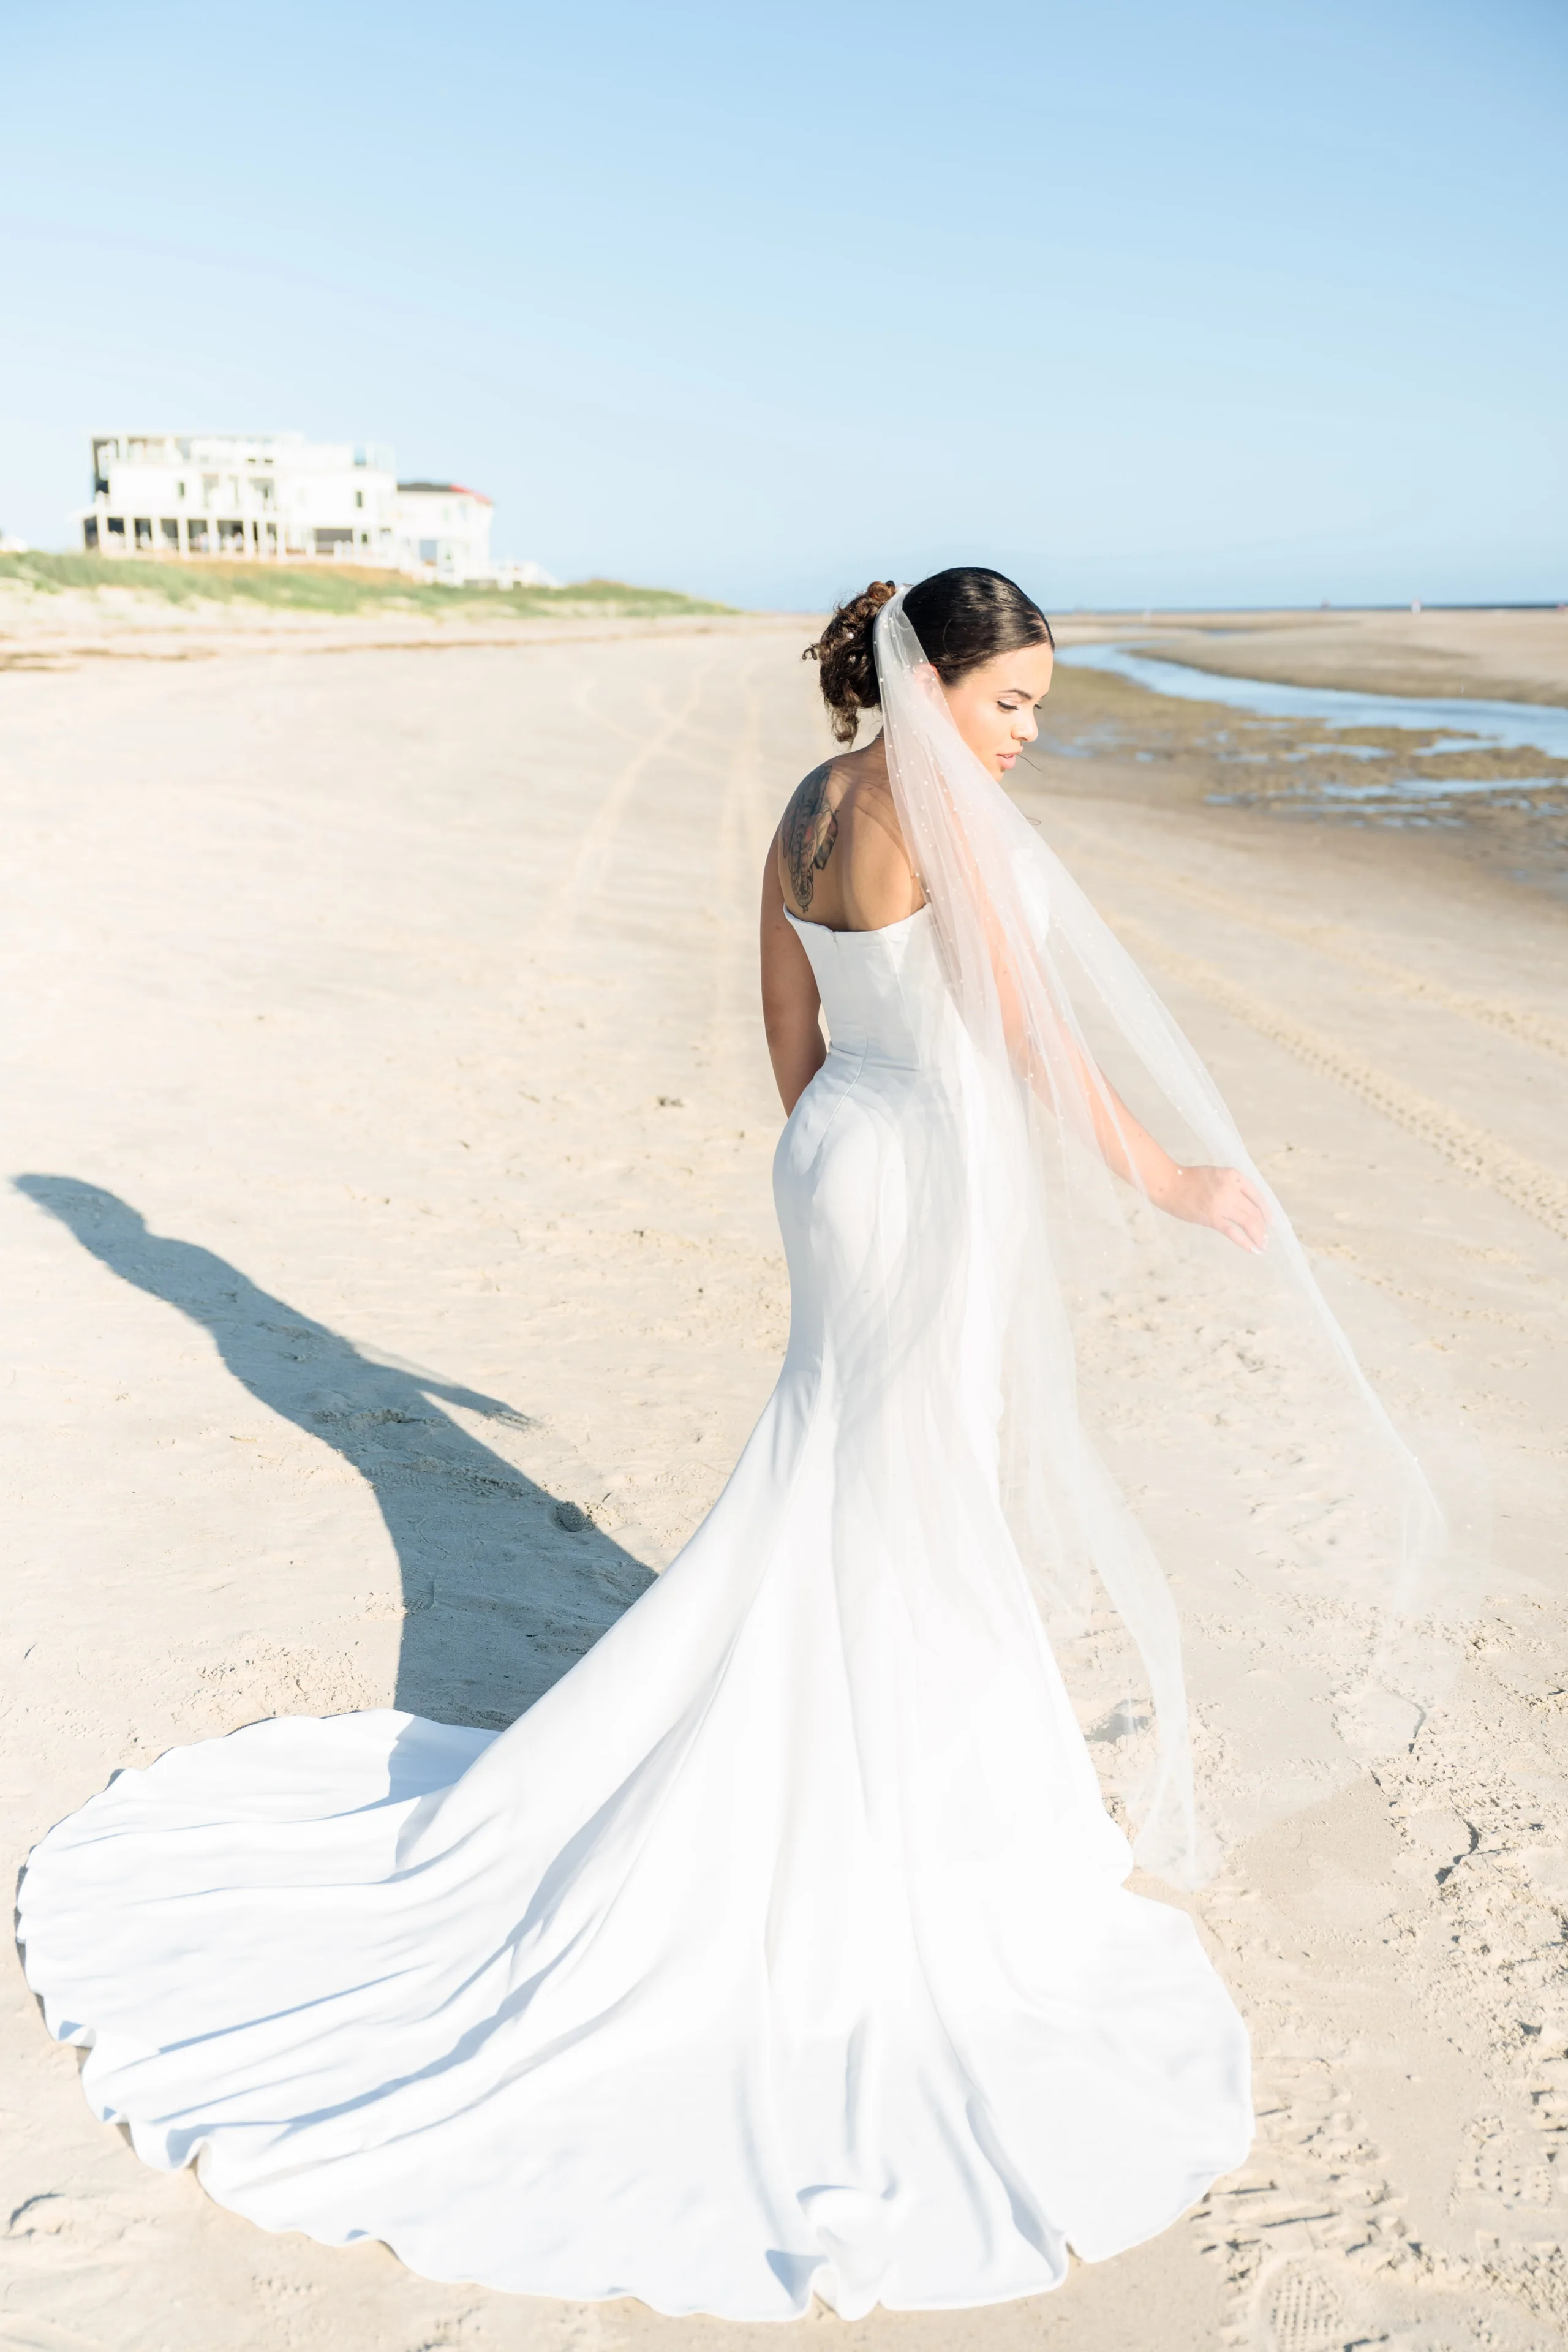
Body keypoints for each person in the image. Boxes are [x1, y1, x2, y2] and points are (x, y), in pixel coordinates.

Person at [20, 568, 1430, 2324]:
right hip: (925, 1176)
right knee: (914, 1485)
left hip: (838, 1153)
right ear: (938, 688)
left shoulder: (811, 802)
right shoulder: (945, 819)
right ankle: (907, 1802)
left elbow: (789, 1021)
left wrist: (835, 1146)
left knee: (850, 1469)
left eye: (1039, 712)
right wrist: (1173, 1179)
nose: (1028, 739)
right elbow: (1044, 1047)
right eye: (1014, 706)